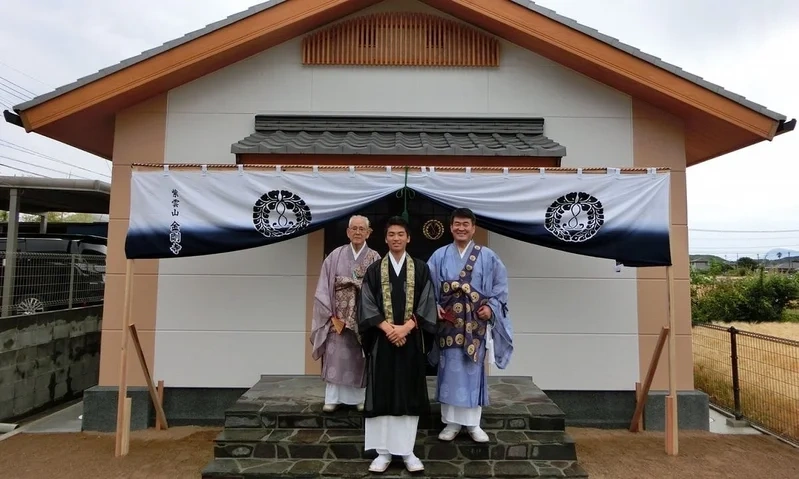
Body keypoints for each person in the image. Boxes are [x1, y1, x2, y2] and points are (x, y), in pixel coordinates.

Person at [358, 216, 438, 473]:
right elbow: (367, 303)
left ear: (408, 238)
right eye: (391, 234)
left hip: (410, 341)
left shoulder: (422, 269)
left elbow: (427, 303)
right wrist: (387, 328)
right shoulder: (374, 270)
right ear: (385, 238)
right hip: (383, 342)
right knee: (382, 393)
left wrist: (406, 327)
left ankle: (407, 451)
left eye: (400, 234)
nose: (396, 238)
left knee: (408, 393)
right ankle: (382, 453)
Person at [427, 207, 513, 443]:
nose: (461, 228)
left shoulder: (488, 256)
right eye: (457, 224)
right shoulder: (439, 256)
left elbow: (500, 288)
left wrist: (491, 308)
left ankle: (473, 424)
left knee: (472, 369)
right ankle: (451, 423)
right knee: (449, 368)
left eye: (466, 224)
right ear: (451, 227)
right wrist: (434, 305)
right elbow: (427, 287)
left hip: (475, 322)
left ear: (473, 228)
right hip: (449, 322)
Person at [310, 215, 381, 413]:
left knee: (359, 356)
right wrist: (329, 314)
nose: (358, 232)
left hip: (362, 316)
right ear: (348, 232)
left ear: (368, 232)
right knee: (336, 355)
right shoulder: (335, 255)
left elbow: (380, 290)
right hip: (338, 317)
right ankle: (333, 398)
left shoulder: (374, 257)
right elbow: (324, 287)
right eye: (354, 229)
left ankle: (358, 398)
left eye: (362, 229)